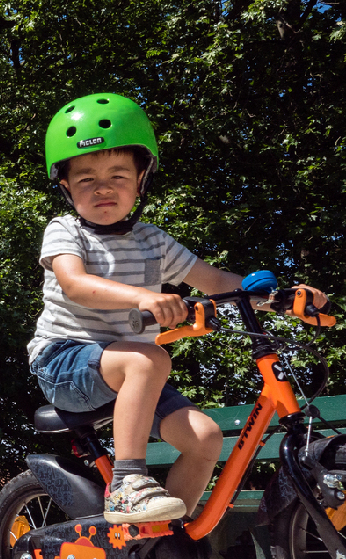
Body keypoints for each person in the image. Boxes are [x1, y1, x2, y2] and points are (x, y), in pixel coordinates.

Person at [28, 93, 326, 526]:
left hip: (131, 371)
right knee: (150, 357)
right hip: (65, 361)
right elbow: (76, 284)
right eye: (87, 178)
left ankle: (167, 544)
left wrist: (279, 299)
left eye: (118, 174)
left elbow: (216, 281)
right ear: (66, 187)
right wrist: (145, 298)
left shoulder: (153, 240)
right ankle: (129, 485)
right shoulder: (66, 230)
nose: (103, 187)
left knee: (204, 437)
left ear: (141, 179)